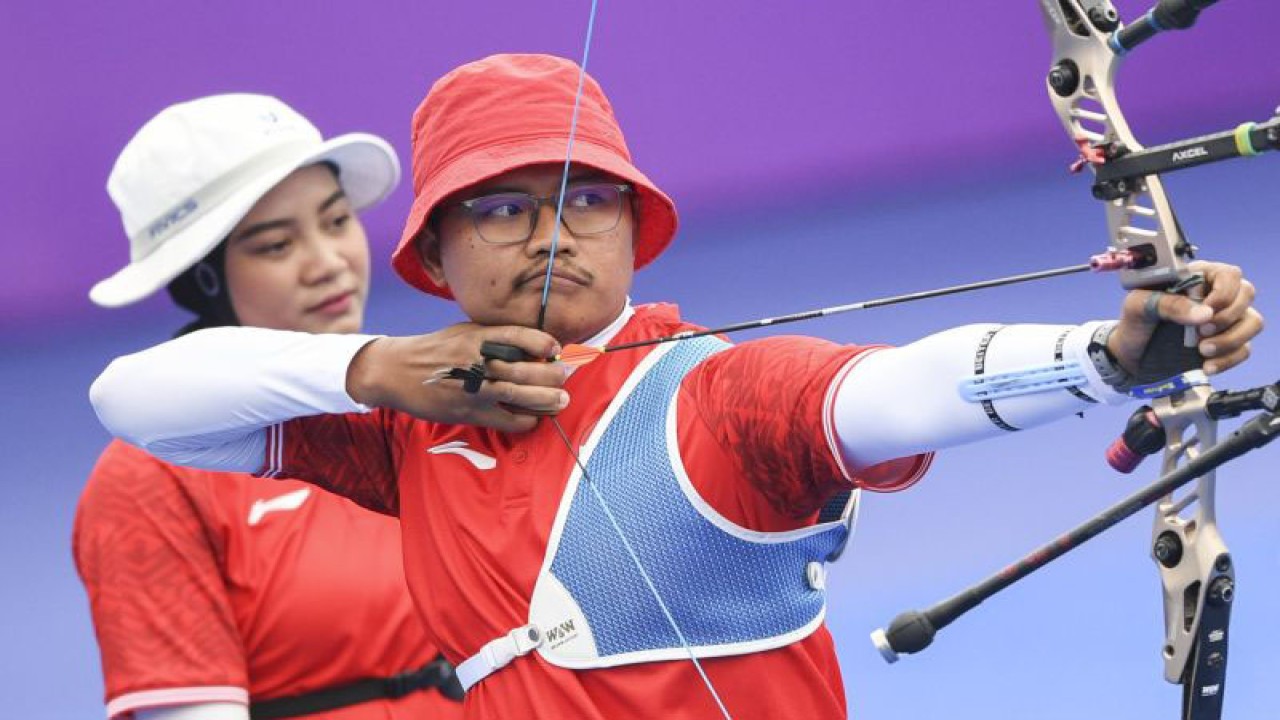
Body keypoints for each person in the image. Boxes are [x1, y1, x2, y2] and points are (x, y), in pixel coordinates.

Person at [90, 56, 1263, 719]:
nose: (551, 231)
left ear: (635, 232)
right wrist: (374, 367)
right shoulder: (400, 427)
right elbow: (136, 401)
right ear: (435, 258)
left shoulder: (718, 395)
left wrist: (1103, 358)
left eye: (585, 198)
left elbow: (892, 391)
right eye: (500, 207)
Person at [74, 94, 468, 720]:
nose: (329, 263)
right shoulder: (144, 480)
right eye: (277, 246)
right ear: (203, 281)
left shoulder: (423, 405)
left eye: (337, 222)